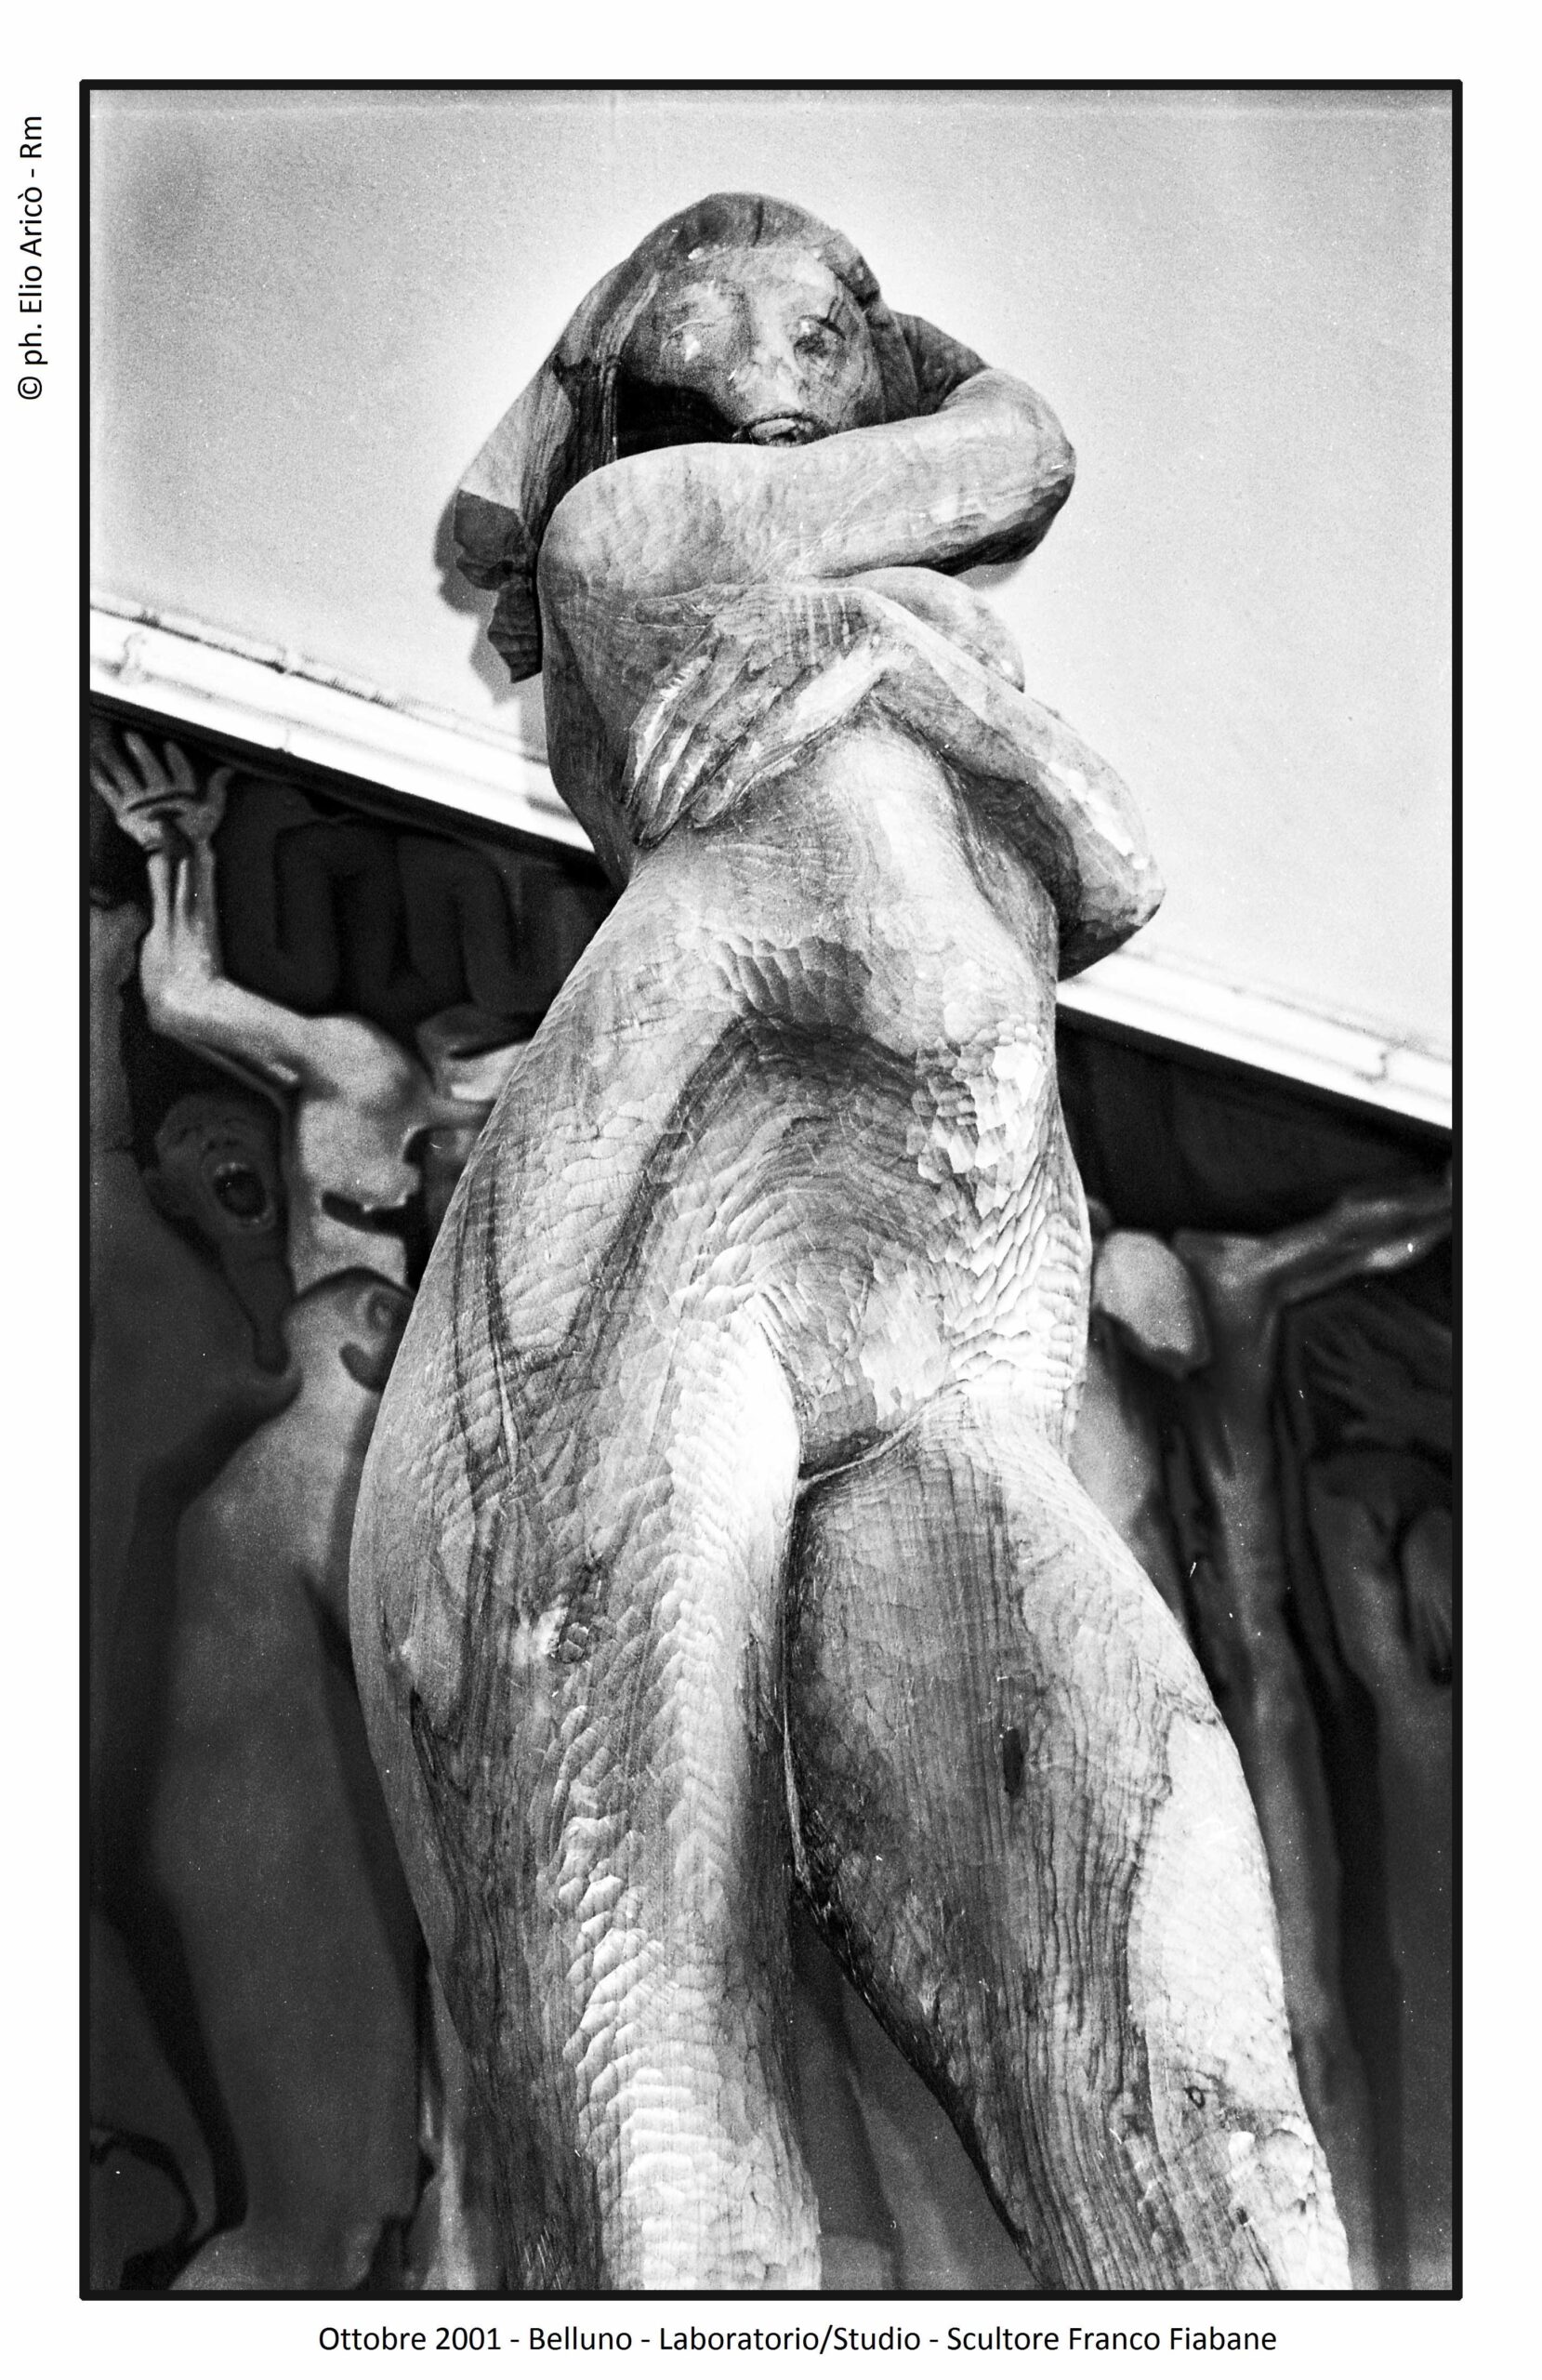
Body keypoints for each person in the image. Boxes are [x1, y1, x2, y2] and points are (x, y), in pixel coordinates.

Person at [353, 193, 1347, 2291]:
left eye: (826, 325)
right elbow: (1024, 445)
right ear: (632, 375)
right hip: (676, 1229)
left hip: (958, 1315)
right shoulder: (632, 526)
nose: (784, 367)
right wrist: (901, 560)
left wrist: (899, 666)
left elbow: (1114, 871)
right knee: (662, 2139)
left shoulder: (909, 623)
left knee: (1185, 2047)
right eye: (718, 327)